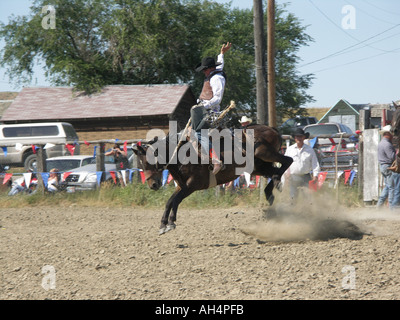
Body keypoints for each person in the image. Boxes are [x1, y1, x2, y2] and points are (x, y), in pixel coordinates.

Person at [190, 42, 232, 175]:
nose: (203, 71)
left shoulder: (217, 79)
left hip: (210, 111)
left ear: (210, 68)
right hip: (203, 110)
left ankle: (215, 160)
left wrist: (203, 105)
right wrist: (221, 54)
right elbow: (221, 64)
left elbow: (217, 99)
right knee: (192, 132)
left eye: (205, 69)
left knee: (198, 132)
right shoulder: (214, 74)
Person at [283, 128, 320, 200]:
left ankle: (307, 210)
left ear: (304, 137)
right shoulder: (290, 149)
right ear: (295, 138)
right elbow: (285, 163)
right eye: (297, 136)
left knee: (307, 198)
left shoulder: (310, 150)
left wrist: (315, 175)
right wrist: (285, 175)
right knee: (293, 197)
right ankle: (293, 210)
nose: (299, 138)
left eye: (300, 136)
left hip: (306, 177)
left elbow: (315, 164)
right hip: (293, 177)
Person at [377, 125, 400, 209]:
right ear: (388, 133)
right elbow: (392, 157)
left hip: (383, 166)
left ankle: (379, 205)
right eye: (391, 133)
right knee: (392, 188)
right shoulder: (387, 144)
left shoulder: (381, 143)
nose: (392, 135)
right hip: (388, 166)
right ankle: (391, 208)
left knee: (387, 187)